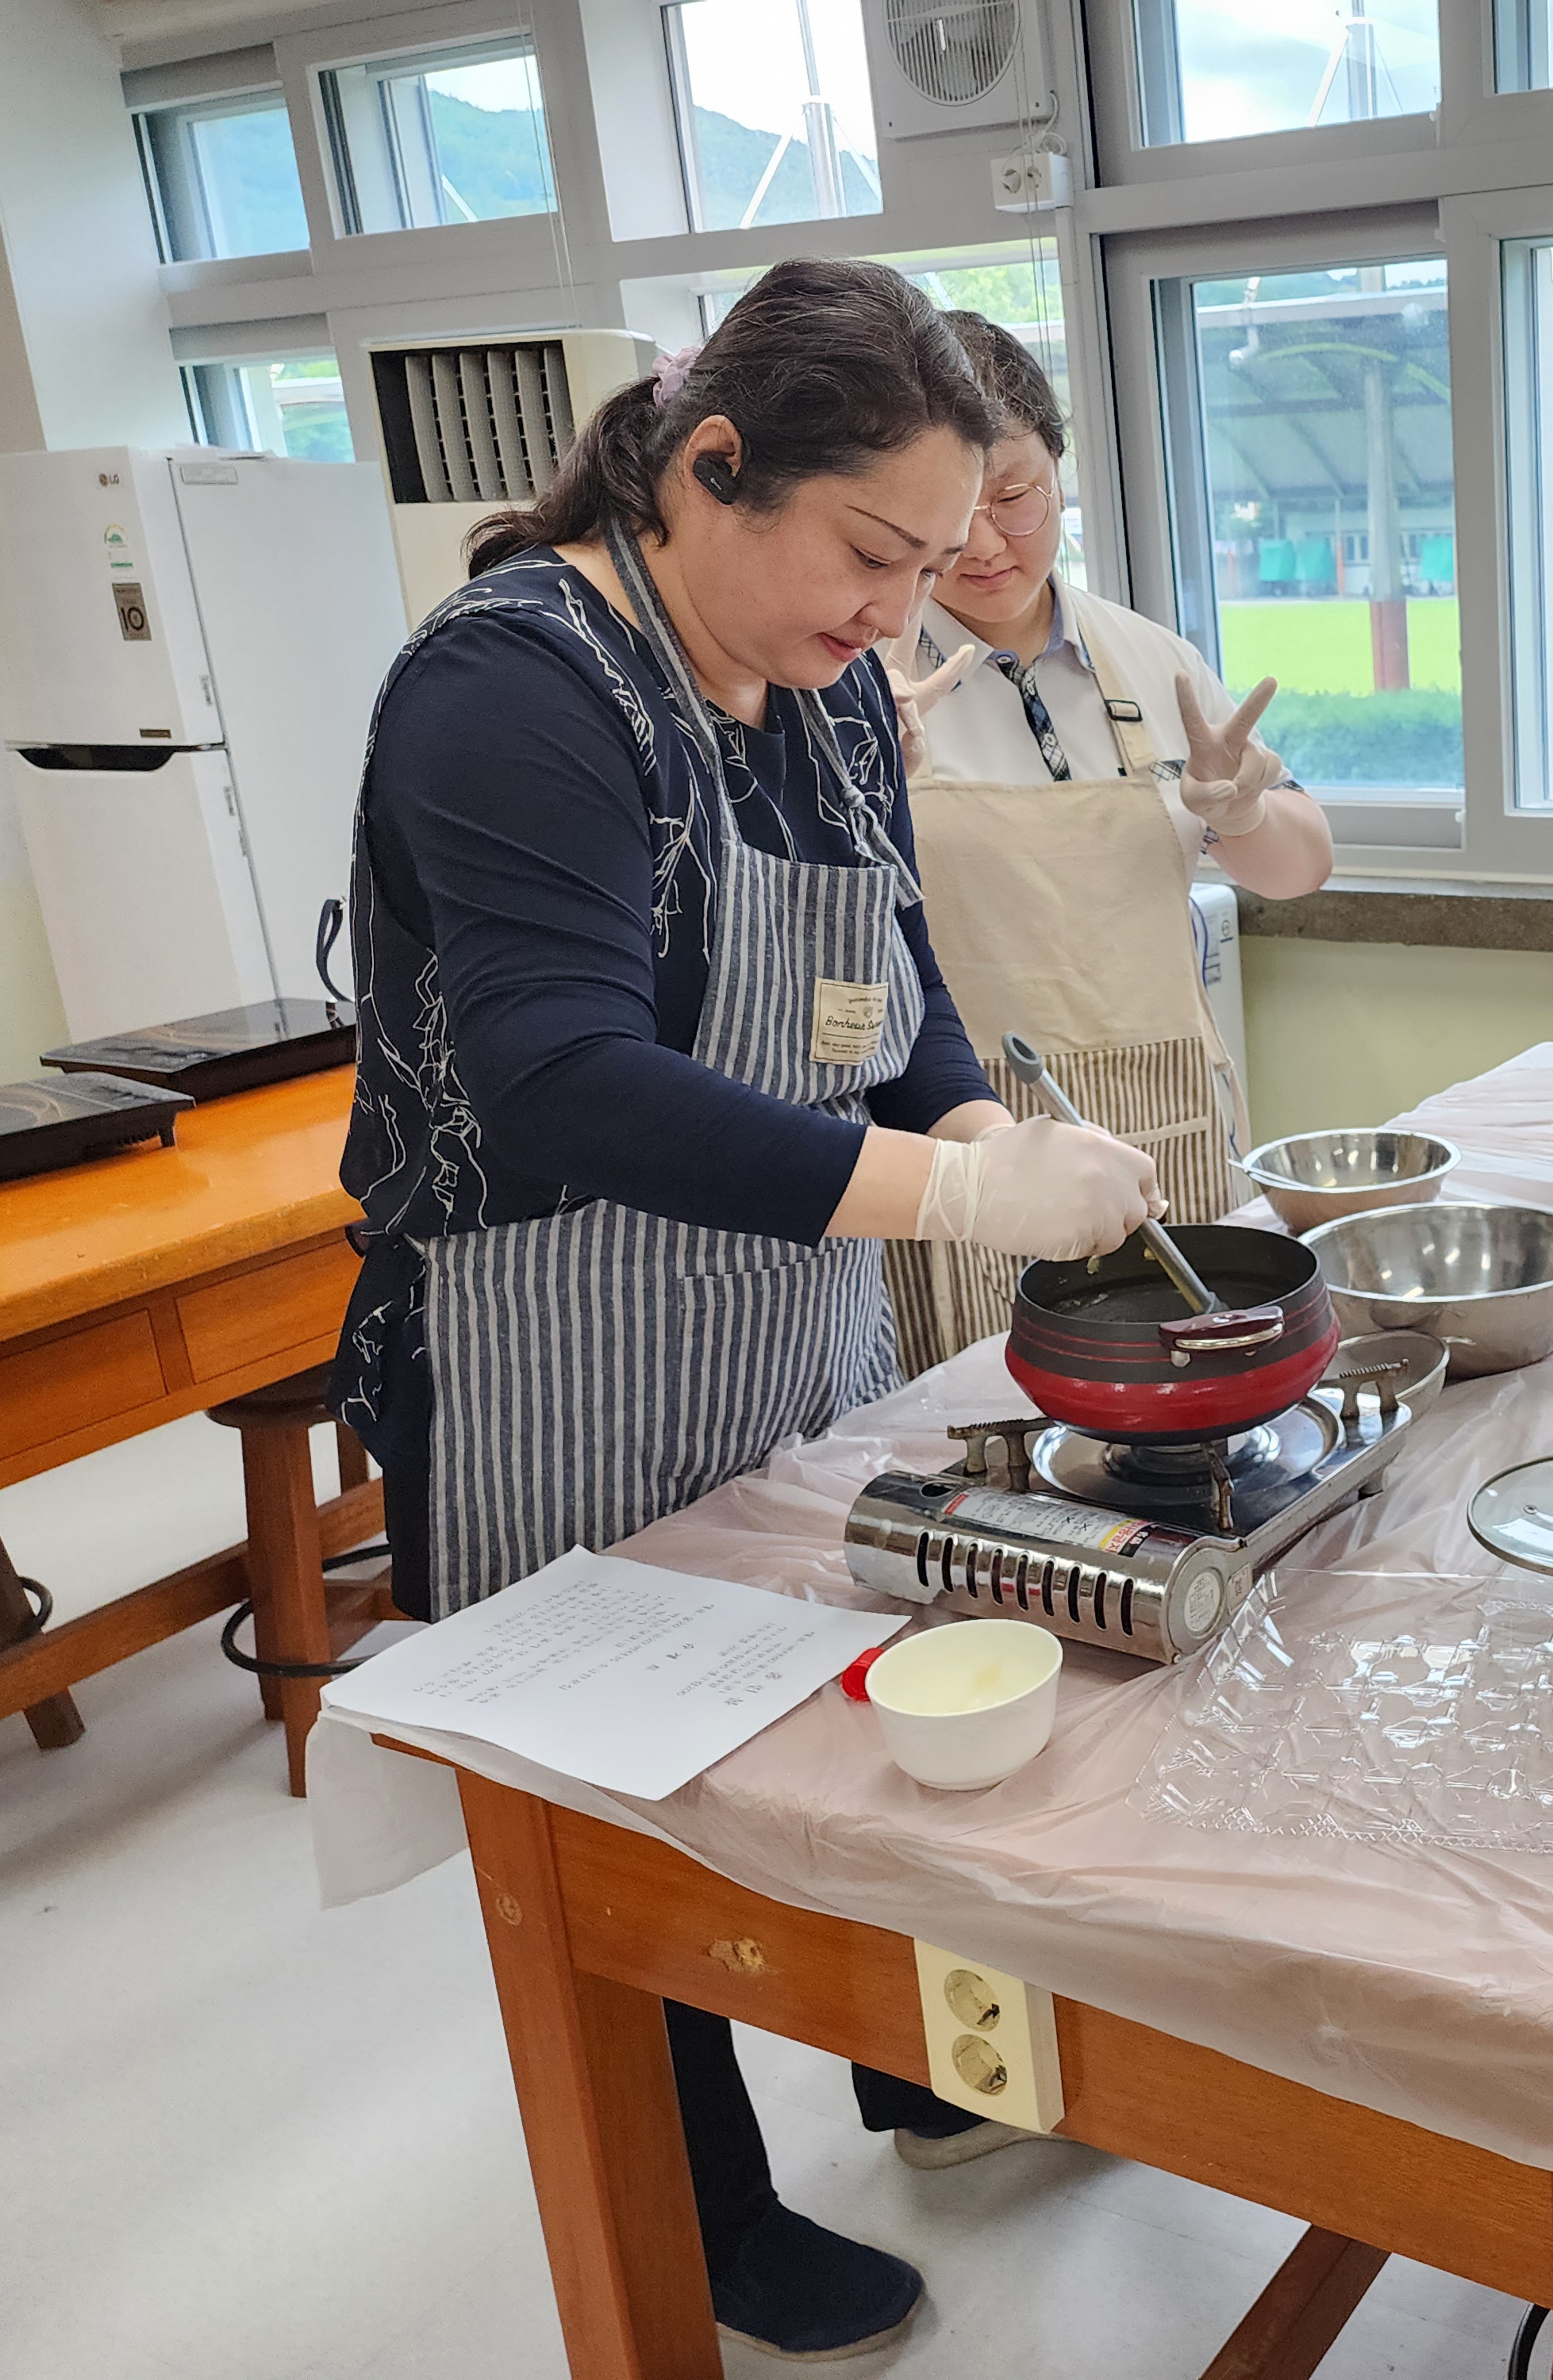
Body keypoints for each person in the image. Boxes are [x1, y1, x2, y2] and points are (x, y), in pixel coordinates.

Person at [328, 259, 1162, 2363]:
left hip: (788, 1322)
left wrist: (973, 1113)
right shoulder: (509, 690)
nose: (898, 608)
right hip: (550, 1351)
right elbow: (566, 1075)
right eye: (869, 551)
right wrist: (962, 1188)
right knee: (624, 1809)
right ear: (711, 469)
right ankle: (693, 2216)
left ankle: (912, 2065)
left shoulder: (824, 685)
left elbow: (888, 970)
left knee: (846, 1716)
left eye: (927, 561)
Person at [879, 312, 1332, 1372]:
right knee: (979, 1417)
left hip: (1158, 1119)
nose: (987, 544)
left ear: (1061, 475)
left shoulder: (1149, 660)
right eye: (953, 511)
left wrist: (1238, 811)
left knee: (1173, 1385)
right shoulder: (861, 670)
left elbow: (1302, 867)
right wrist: (865, 778)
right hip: (965, 1128)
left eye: (1016, 495)